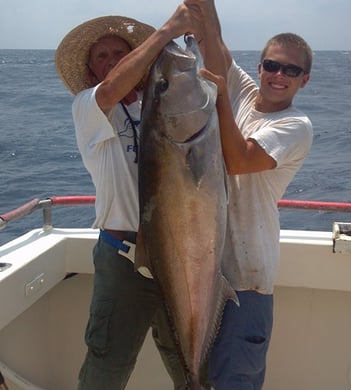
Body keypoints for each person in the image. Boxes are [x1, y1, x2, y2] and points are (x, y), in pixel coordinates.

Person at [55, 7, 197, 390]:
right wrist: (170, 30)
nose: (112, 60)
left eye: (120, 52)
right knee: (107, 363)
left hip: (178, 253)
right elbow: (116, 86)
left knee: (190, 363)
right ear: (90, 71)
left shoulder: (161, 103)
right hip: (122, 255)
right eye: (102, 57)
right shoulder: (88, 106)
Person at [185, 1, 314, 388]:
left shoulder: (296, 126)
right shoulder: (242, 90)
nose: (278, 75)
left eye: (291, 70)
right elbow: (213, 41)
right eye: (272, 65)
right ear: (259, 68)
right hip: (205, 272)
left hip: (247, 282)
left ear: (304, 80)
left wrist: (221, 97)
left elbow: (240, 160)